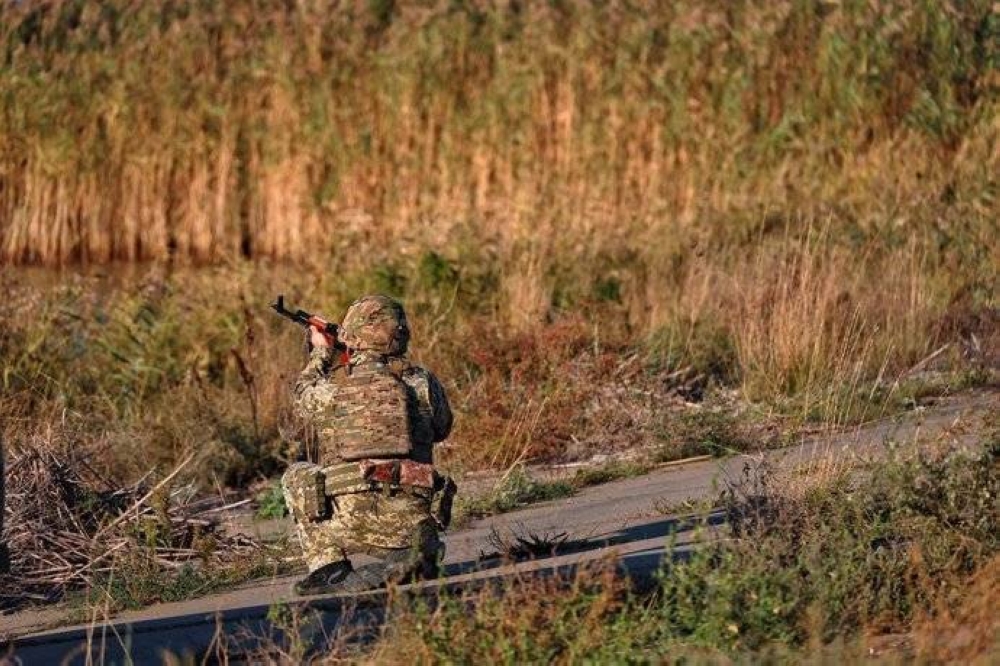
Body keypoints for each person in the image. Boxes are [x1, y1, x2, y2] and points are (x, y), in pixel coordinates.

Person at [282, 294, 455, 595]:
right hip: (410, 518)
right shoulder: (423, 382)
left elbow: (301, 395)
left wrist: (321, 353)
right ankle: (414, 550)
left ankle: (329, 568)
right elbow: (441, 429)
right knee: (411, 521)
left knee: (296, 474)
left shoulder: (332, 388)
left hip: (349, 524)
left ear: (353, 335)